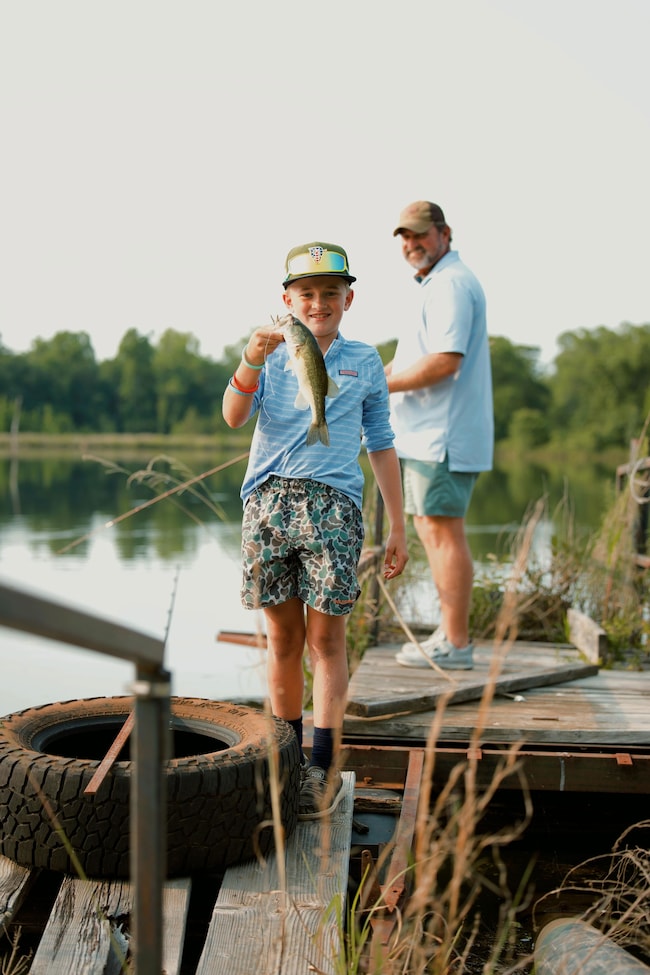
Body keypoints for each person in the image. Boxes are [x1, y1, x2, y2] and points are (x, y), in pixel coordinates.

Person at [222, 241, 408, 819]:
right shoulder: (272, 350)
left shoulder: (366, 360)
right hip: (268, 504)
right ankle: (285, 762)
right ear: (287, 301)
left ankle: (321, 770)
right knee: (283, 640)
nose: (319, 303)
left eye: (331, 293)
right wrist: (250, 359)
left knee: (327, 642)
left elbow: (380, 442)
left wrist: (398, 523)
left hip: (335, 508)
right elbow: (232, 415)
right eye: (307, 293)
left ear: (349, 298)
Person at [385, 202, 493, 670]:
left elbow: (446, 361)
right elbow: (409, 360)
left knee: (444, 534)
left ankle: (458, 644)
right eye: (405, 238)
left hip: (441, 436)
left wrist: (379, 384)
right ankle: (451, 638)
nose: (411, 245)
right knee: (432, 529)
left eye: (419, 235)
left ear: (443, 233)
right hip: (424, 435)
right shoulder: (433, 284)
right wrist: (366, 379)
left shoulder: (451, 283)